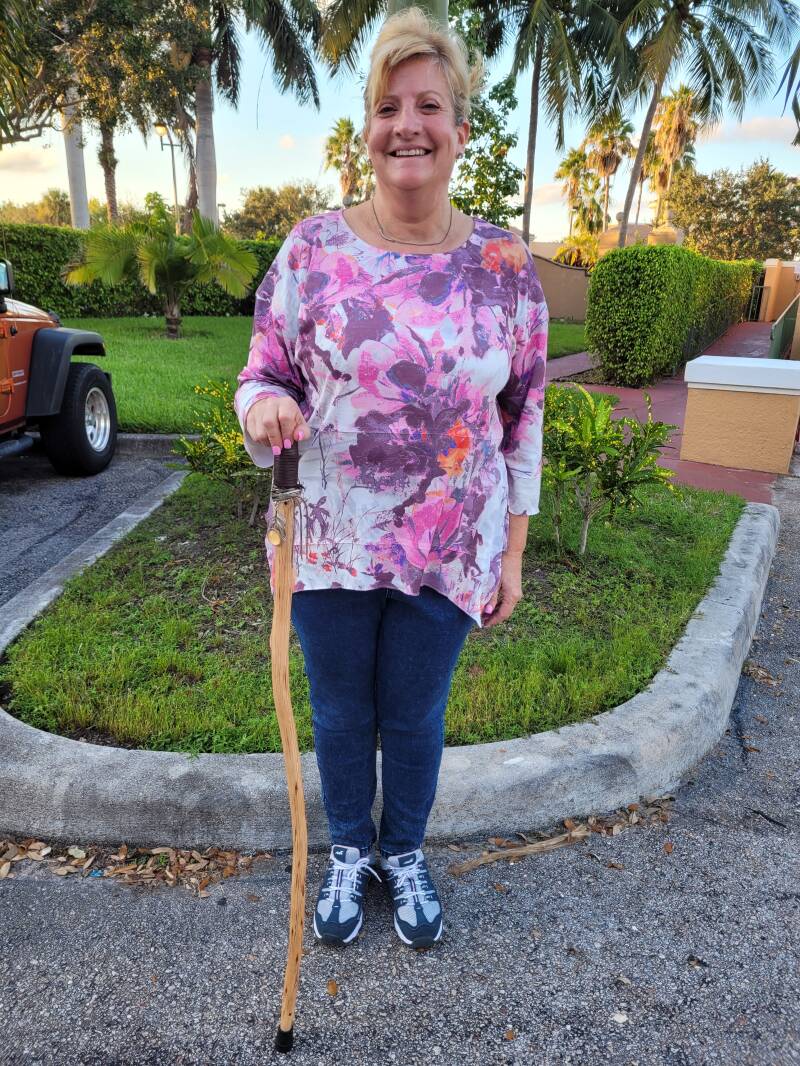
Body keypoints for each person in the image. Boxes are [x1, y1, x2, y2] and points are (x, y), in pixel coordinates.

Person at [235, 6, 548, 950]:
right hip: (329, 535)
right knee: (340, 711)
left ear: (460, 128)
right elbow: (262, 372)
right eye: (387, 107)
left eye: (428, 105)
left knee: (413, 714)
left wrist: (513, 554)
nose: (407, 125)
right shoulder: (312, 251)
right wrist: (265, 408)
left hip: (450, 541)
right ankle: (347, 847)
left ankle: (403, 850)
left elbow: (523, 418)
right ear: (367, 130)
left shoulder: (504, 265)